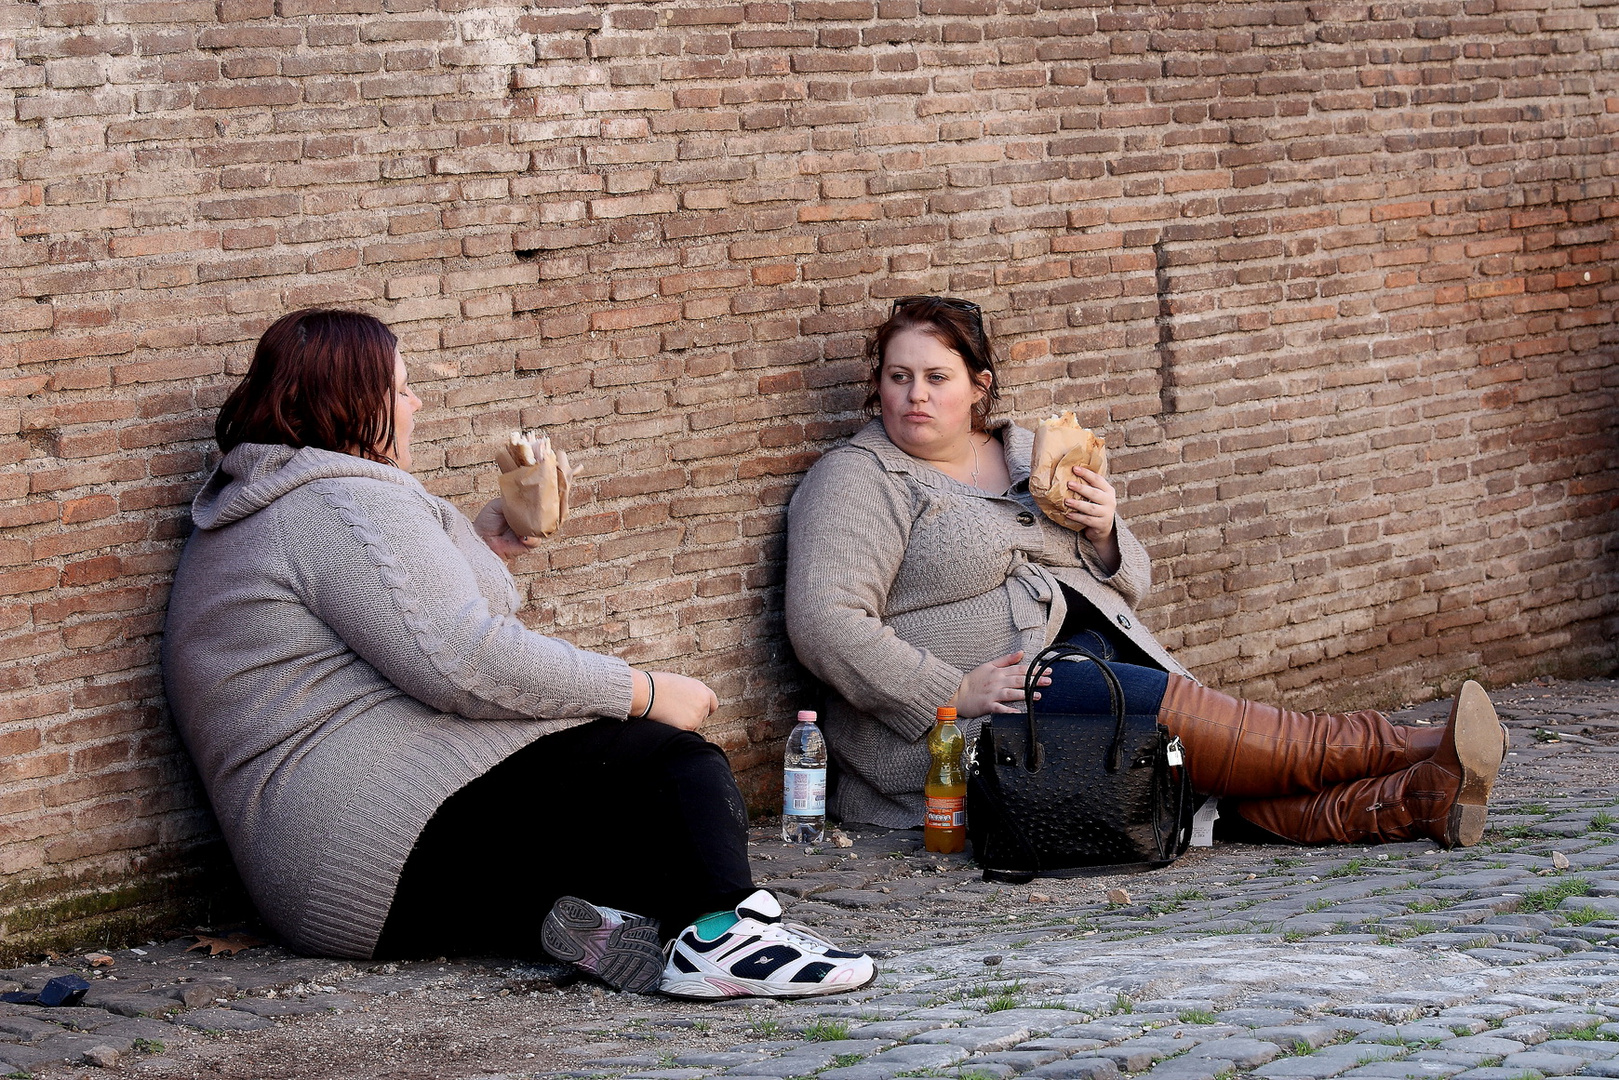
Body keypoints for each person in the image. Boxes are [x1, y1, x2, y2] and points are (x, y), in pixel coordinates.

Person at [161, 308, 875, 1000]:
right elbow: (467, 662)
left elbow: (403, 614)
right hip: (373, 841)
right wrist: (643, 690)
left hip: (329, 884)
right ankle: (723, 941)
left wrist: (484, 543)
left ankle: (610, 931)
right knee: (668, 764)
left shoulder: (264, 501)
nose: (416, 404)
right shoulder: (339, 502)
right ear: (352, 402)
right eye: (401, 389)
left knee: (632, 849)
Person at [784, 295, 1507, 849]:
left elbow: (1127, 582)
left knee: (1190, 789)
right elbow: (825, 623)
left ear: (979, 386)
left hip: (1088, 657)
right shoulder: (860, 479)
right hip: (981, 712)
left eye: (936, 377)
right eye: (897, 377)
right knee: (1191, 751)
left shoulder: (1032, 454)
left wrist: (1102, 529)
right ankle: (1407, 743)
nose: (914, 395)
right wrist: (953, 690)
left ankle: (1420, 799)